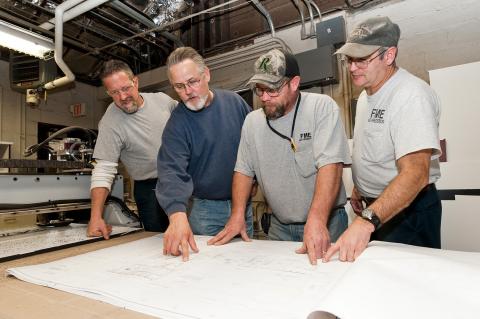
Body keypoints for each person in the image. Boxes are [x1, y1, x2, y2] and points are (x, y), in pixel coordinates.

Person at [209, 48, 351, 265]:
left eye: (272, 90)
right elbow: (243, 172)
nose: (264, 98)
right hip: (279, 227)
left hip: (327, 222)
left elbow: (330, 165)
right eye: (260, 90)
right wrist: (237, 215)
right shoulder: (252, 122)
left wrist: (317, 219)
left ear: (294, 83)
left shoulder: (321, 107)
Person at [324, 16, 442, 263]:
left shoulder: (411, 96)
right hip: (376, 209)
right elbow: (374, 147)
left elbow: (416, 174)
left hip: (407, 213)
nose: (352, 68)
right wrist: (361, 187)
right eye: (350, 60)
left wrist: (366, 221)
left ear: (388, 56)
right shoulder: (368, 95)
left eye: (362, 60)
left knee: (405, 288)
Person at [156, 47, 253, 261]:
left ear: (206, 74)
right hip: (205, 211)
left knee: (246, 265)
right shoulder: (177, 125)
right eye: (179, 87)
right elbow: (171, 171)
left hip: (243, 206)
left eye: (193, 82)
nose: (188, 91)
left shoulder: (235, 103)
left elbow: (255, 146)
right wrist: (177, 215)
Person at [87, 60, 177, 239]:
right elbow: (104, 169)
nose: (122, 97)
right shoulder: (110, 122)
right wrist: (95, 217)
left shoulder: (163, 101)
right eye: (114, 92)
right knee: (155, 240)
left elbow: (188, 121)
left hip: (179, 179)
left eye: (126, 88)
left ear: (135, 82)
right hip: (148, 189)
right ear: (108, 93)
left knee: (193, 234)